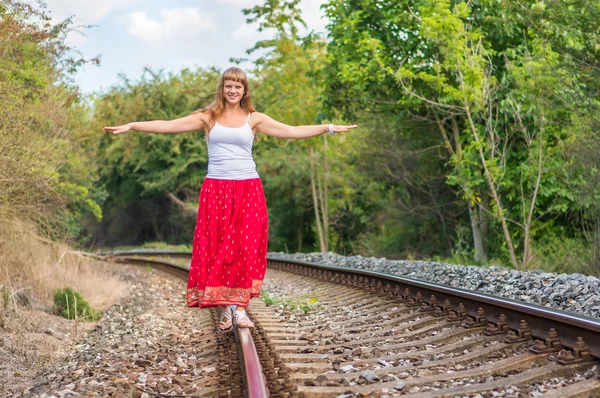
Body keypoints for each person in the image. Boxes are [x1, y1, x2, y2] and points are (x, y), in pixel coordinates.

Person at [104, 67, 357, 331]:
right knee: (218, 247)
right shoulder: (208, 117)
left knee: (244, 248)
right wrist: (133, 125)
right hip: (216, 190)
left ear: (245, 90)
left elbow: (292, 131)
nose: (233, 90)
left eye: (238, 86)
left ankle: (241, 309)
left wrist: (328, 128)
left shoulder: (254, 119)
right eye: (229, 85)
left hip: (248, 189)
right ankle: (226, 310)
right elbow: (169, 126)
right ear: (222, 89)